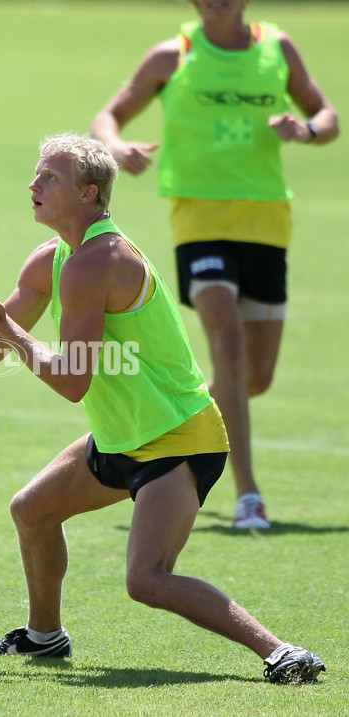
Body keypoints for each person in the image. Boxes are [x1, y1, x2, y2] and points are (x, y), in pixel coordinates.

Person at [0, 132, 324, 683]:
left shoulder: (98, 261)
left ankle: (281, 652)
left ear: (89, 194)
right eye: (36, 173)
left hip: (178, 436)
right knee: (32, 510)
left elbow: (72, 380)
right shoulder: (52, 260)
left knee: (147, 579)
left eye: (50, 177)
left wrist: (9, 331)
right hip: (122, 434)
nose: (33, 184)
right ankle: (43, 636)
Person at [91, 0, 339, 529]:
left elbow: (328, 115)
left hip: (266, 219)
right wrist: (116, 147)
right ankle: (248, 494)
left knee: (253, 376)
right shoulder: (172, 54)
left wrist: (307, 130)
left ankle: (180, 403)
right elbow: (108, 117)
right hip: (198, 219)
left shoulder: (276, 46)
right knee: (225, 341)